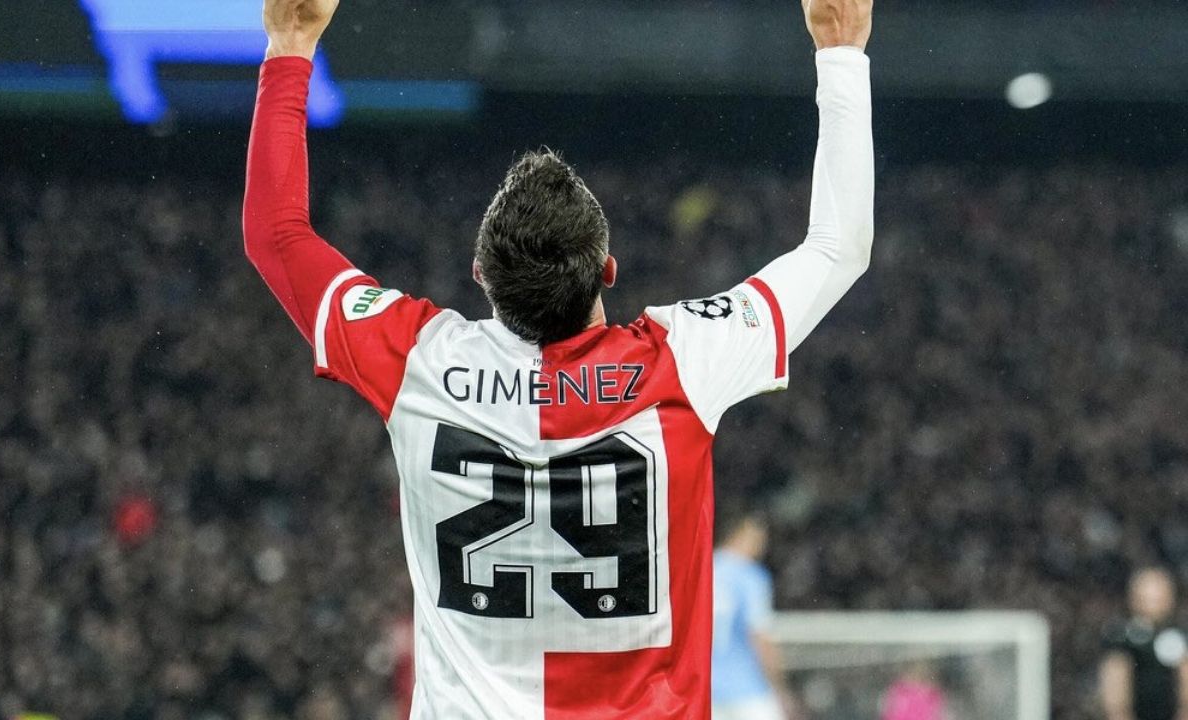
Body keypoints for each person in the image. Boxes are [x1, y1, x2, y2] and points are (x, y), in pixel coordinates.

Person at [242, 0, 874, 715]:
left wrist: (289, 43)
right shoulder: (684, 360)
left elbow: (276, 235)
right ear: (608, 270)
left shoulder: (416, 359)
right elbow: (836, 247)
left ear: (479, 275)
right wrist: (841, 49)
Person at [712, 512, 794, 720]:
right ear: (744, 534)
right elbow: (759, 635)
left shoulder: (703, 568)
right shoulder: (750, 576)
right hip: (746, 688)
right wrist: (780, 688)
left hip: (706, 687)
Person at [1100, 568, 1188, 720]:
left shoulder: (1179, 634)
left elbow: (1185, 677)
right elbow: (1115, 680)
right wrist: (1118, 712)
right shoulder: (1121, 635)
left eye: (1158, 597)